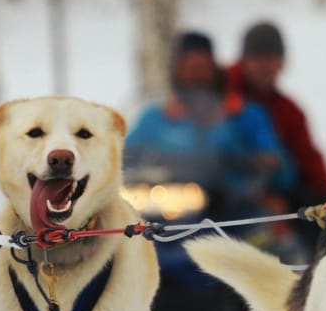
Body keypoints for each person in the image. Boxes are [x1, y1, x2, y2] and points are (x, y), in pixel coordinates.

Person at [125, 30, 296, 231]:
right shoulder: (154, 117)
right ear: (177, 70)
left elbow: (279, 166)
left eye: (202, 66)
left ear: (214, 69)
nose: (196, 73)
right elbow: (125, 156)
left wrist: (263, 164)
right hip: (161, 209)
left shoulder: (241, 114)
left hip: (228, 209)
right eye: (189, 66)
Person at [224, 20, 326, 208]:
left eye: (271, 58)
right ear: (244, 60)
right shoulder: (219, 90)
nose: (265, 66)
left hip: (270, 190)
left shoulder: (289, 111)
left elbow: (308, 158)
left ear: (282, 62)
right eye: (257, 58)